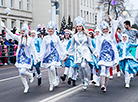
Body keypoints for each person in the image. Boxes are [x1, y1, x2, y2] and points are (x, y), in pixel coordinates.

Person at [3, 23, 38, 94]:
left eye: (23, 31)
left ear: (26, 31)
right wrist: (5, 29)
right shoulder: (19, 38)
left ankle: (31, 75)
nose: (22, 32)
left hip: (26, 58)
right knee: (21, 74)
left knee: (22, 71)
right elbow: (12, 35)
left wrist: (36, 57)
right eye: (21, 31)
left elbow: (33, 49)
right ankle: (26, 86)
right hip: (20, 58)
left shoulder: (30, 39)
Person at [68, 16, 94, 90]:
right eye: (77, 26)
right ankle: (83, 80)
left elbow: (90, 45)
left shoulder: (87, 35)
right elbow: (71, 46)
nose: (79, 28)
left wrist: (94, 52)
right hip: (78, 53)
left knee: (83, 66)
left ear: (82, 27)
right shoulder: (74, 36)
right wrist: (68, 53)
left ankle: (86, 80)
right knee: (80, 68)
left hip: (85, 52)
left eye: (80, 26)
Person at [94, 15, 119, 92]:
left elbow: (114, 29)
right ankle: (102, 85)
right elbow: (98, 46)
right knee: (103, 69)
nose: (105, 30)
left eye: (106, 29)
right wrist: (97, 53)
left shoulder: (110, 36)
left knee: (107, 71)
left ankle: (105, 86)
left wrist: (111, 21)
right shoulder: (100, 37)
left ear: (108, 29)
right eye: (104, 29)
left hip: (110, 56)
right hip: (102, 56)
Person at [40, 21, 66, 91]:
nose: (50, 30)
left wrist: (64, 53)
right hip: (48, 55)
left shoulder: (56, 38)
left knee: (52, 68)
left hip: (55, 54)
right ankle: (51, 84)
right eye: (49, 29)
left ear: (53, 30)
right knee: (49, 70)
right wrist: (41, 56)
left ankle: (55, 79)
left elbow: (60, 46)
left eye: (51, 29)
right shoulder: (45, 38)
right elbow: (43, 47)